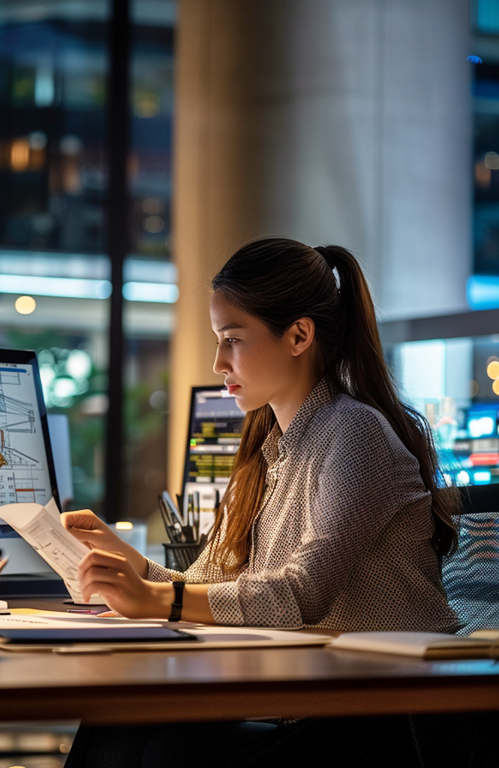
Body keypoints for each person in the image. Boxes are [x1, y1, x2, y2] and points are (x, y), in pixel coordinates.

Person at [61, 237, 463, 768]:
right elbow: (210, 585)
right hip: (310, 700)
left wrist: (159, 601)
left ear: (299, 335)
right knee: (117, 722)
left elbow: (304, 593)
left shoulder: (355, 433)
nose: (218, 360)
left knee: (172, 753)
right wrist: (128, 567)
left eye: (231, 339)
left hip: (385, 716)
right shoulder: (269, 447)